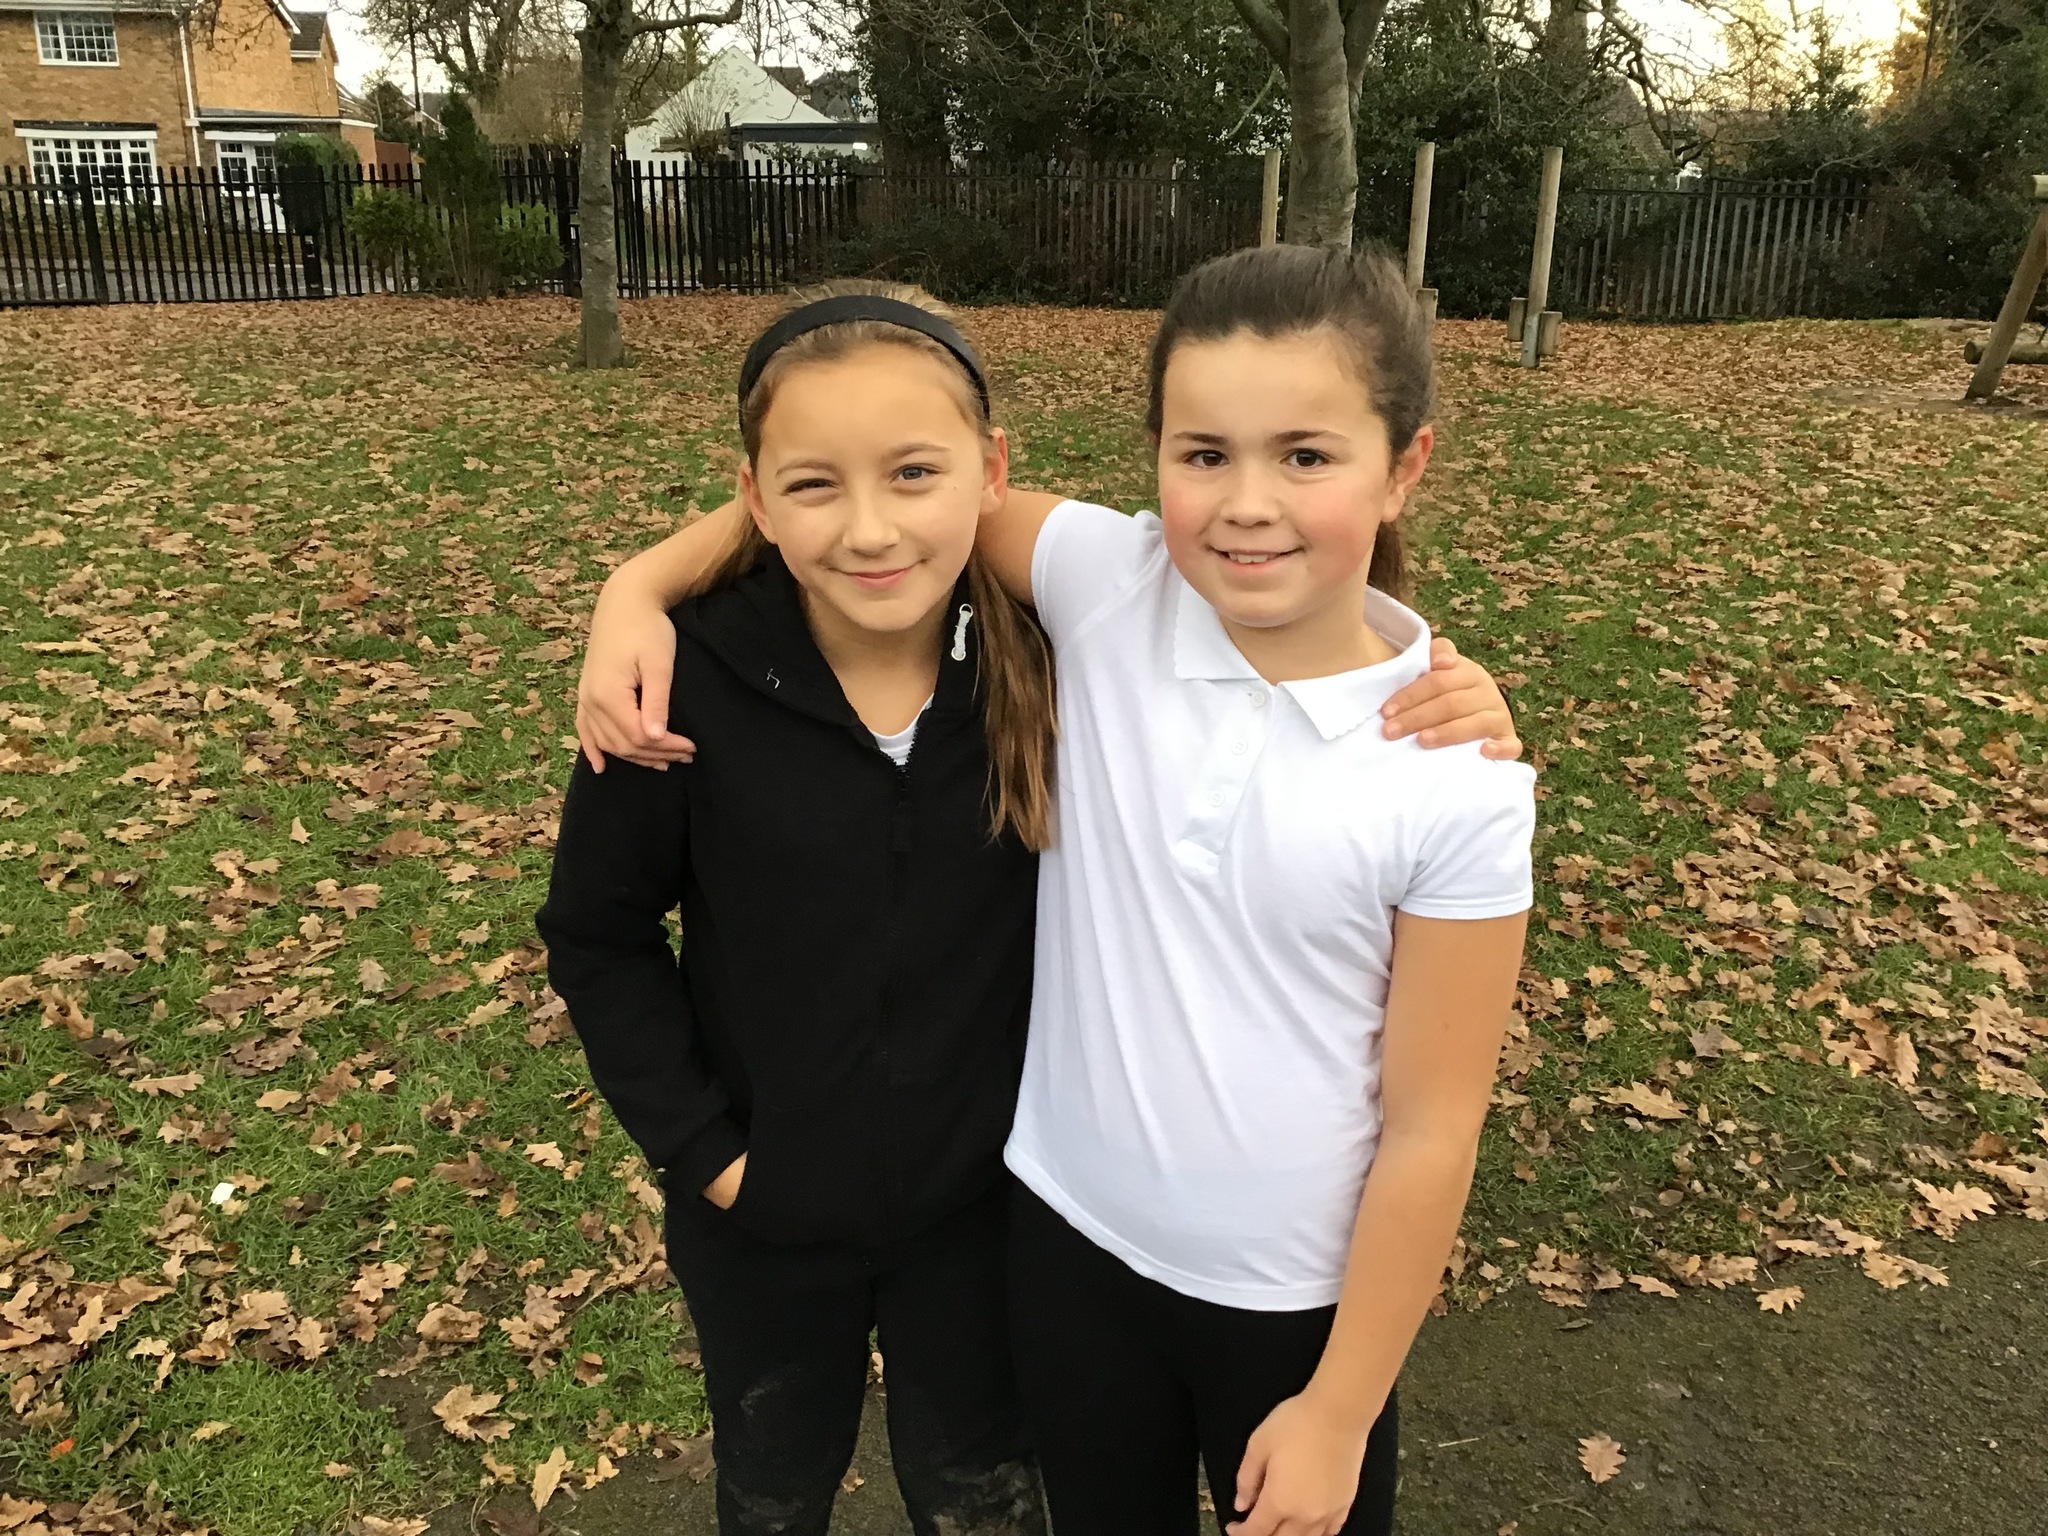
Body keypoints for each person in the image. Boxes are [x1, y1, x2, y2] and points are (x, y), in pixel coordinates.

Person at [567, 255, 1529, 1536]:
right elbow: (846, 482)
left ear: (1404, 466)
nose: (1247, 503)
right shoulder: (1108, 588)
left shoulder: (1440, 771)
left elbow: (1433, 1125)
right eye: (1203, 455)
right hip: (1028, 1245)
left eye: (1304, 455)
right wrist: (631, 587)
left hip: (1221, 1281)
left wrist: (1341, 1409)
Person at [536, 282, 1058, 1536]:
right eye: (814, 485)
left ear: (990, 472)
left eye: (914, 473)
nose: (870, 529)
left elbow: (1262, 621)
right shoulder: (678, 681)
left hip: (991, 1212)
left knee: (982, 1492)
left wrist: (1427, 676)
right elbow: (597, 934)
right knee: (772, 1490)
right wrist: (707, 1155)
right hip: (759, 1219)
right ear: (756, 501)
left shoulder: (1058, 657)